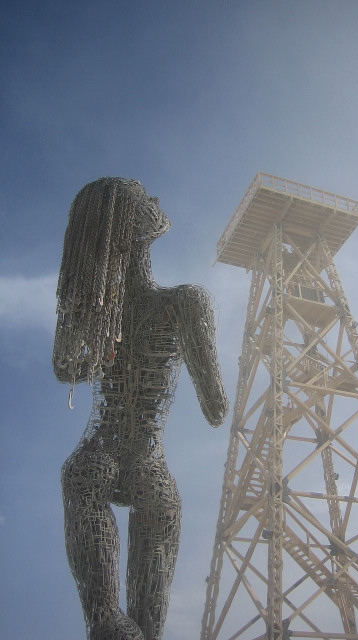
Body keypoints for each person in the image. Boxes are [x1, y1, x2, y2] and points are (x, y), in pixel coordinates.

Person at [53, 177, 228, 640]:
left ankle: (106, 621)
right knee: (149, 628)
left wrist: (82, 316)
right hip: (149, 466)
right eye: (144, 198)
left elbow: (66, 369)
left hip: (97, 456)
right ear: (130, 224)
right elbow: (215, 407)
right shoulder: (185, 302)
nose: (156, 200)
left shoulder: (96, 312)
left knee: (81, 478)